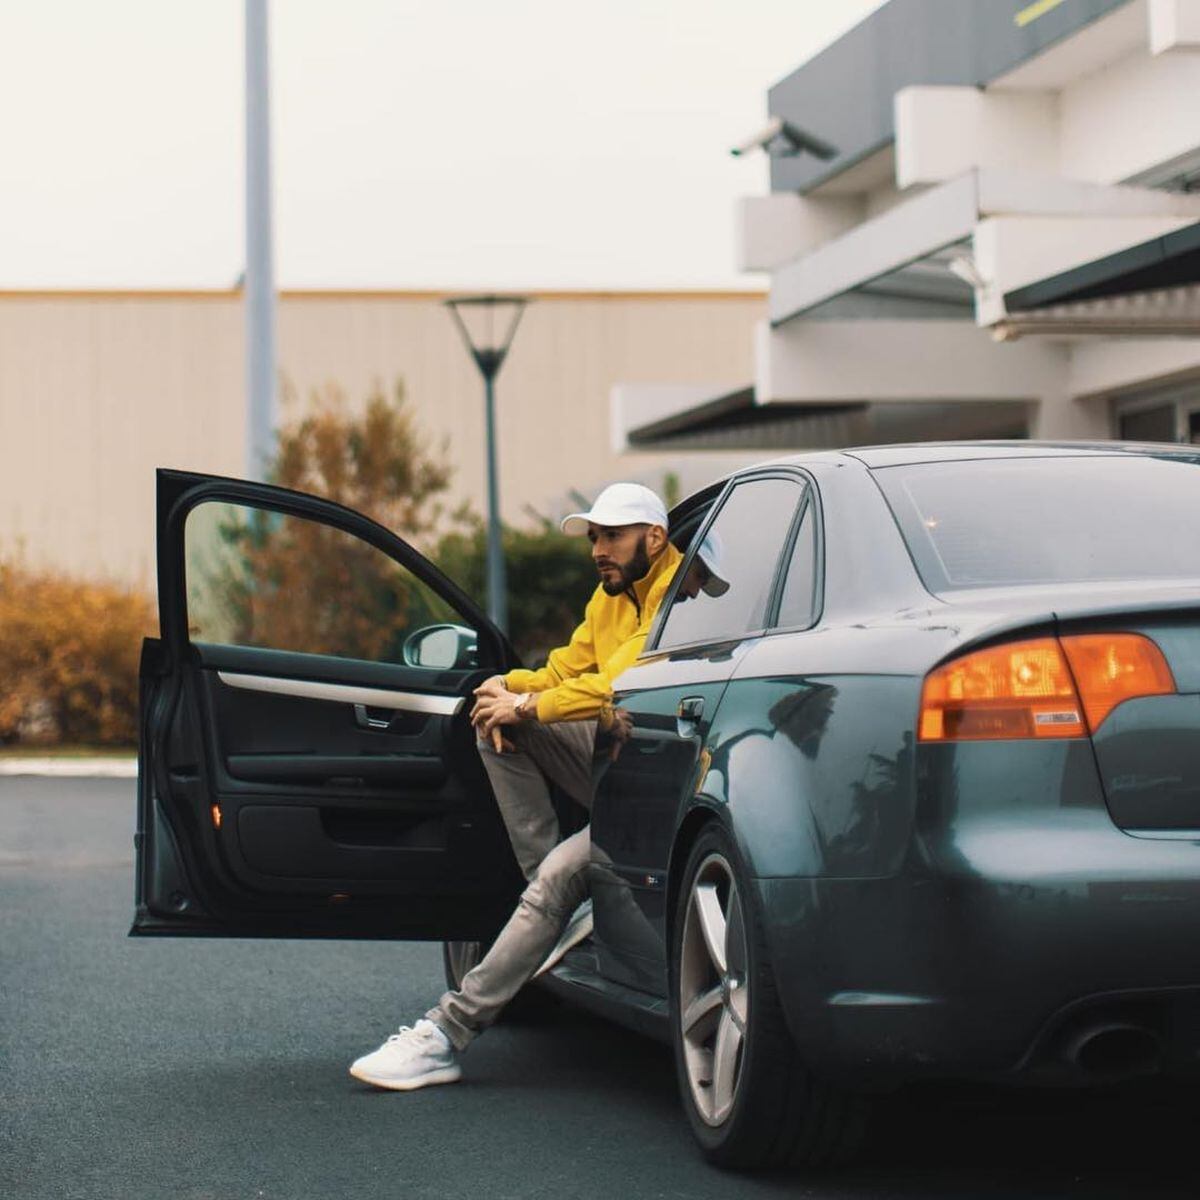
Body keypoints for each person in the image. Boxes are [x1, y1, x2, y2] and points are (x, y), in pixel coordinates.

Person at [348, 482, 685, 1091]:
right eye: (593, 537)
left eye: (611, 536)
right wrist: (503, 685)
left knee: (558, 870)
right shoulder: (610, 597)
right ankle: (560, 898)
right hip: (614, 762)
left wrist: (525, 706)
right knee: (490, 726)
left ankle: (444, 1034)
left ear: (654, 538)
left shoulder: (677, 600)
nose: (597, 550)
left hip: (657, 786)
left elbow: (615, 686)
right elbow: (565, 669)